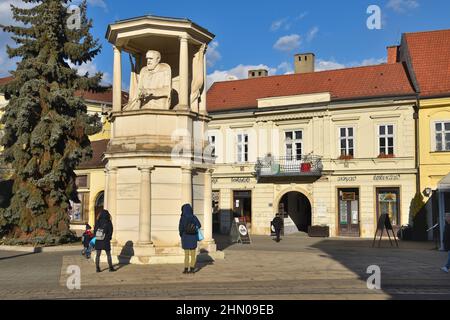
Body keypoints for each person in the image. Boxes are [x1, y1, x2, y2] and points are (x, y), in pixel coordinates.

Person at [179, 204, 201, 274]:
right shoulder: (194, 217)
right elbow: (199, 225)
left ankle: (186, 269)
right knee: (193, 254)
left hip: (185, 237)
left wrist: (181, 234)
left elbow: (180, 228)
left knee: (186, 254)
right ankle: (192, 269)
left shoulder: (182, 218)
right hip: (193, 237)